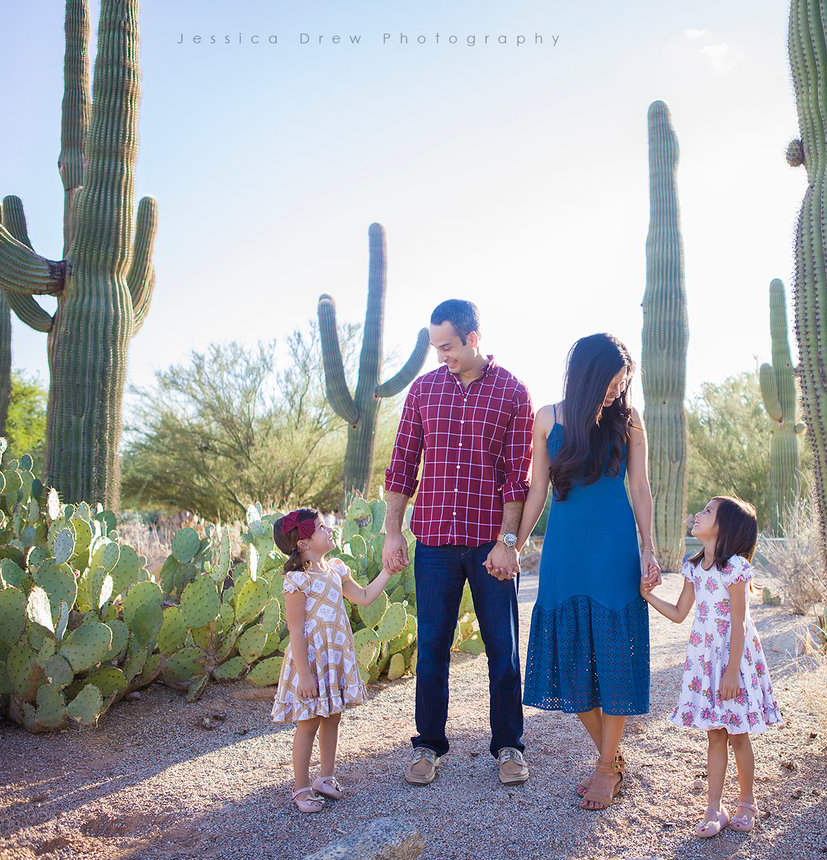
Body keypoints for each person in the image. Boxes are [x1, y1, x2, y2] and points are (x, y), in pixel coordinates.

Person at [381, 299, 534, 787]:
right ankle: (428, 746)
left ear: (472, 337)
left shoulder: (512, 392)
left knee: (503, 650)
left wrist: (508, 542)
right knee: (431, 648)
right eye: (434, 346)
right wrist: (391, 532)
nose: (439, 355)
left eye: (446, 346)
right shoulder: (423, 390)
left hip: (490, 546)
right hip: (435, 545)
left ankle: (508, 746)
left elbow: (518, 478)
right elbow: (402, 464)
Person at [516, 333, 661, 810]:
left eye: (623, 384)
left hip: (614, 551)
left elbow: (640, 489)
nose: (617, 392)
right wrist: (512, 543)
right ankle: (613, 760)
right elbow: (537, 490)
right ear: (588, 375)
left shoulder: (629, 422)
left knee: (616, 661)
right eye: (611, 382)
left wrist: (649, 548)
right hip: (565, 554)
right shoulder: (547, 420)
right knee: (569, 663)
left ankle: (604, 768)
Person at [641, 495, 782, 837]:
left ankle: (747, 801)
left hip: (732, 660)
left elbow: (739, 621)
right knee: (715, 736)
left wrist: (732, 671)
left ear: (726, 527)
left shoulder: (734, 569)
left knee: (737, 734)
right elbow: (678, 614)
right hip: (705, 660)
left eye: (707, 511)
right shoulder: (693, 568)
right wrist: (647, 596)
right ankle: (714, 808)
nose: (698, 514)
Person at [271, 507, 397, 812]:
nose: (329, 530)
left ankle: (325, 778)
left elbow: (365, 597)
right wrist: (304, 674)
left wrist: (389, 571)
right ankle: (301, 788)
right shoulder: (298, 579)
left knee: (333, 716)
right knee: (309, 722)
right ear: (303, 543)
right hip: (312, 661)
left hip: (334, 657)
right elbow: (296, 628)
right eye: (321, 528)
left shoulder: (337, 569)